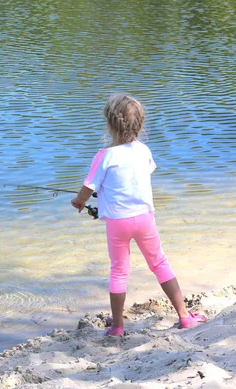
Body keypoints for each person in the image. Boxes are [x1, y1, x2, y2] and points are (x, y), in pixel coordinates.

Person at [71, 93, 206, 336]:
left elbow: (88, 188)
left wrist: (79, 201)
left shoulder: (105, 156)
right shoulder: (144, 150)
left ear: (110, 124)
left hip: (117, 223)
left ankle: (118, 327)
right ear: (140, 124)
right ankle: (184, 316)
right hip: (144, 218)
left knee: (119, 271)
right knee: (159, 263)